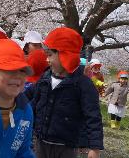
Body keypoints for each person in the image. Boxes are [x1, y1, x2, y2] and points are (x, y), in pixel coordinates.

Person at [25, 27, 103, 158]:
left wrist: (94, 147)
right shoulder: (45, 78)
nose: (47, 60)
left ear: (64, 55)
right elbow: (29, 98)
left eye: (50, 55)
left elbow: (93, 116)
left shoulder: (82, 84)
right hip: (40, 141)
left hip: (66, 146)